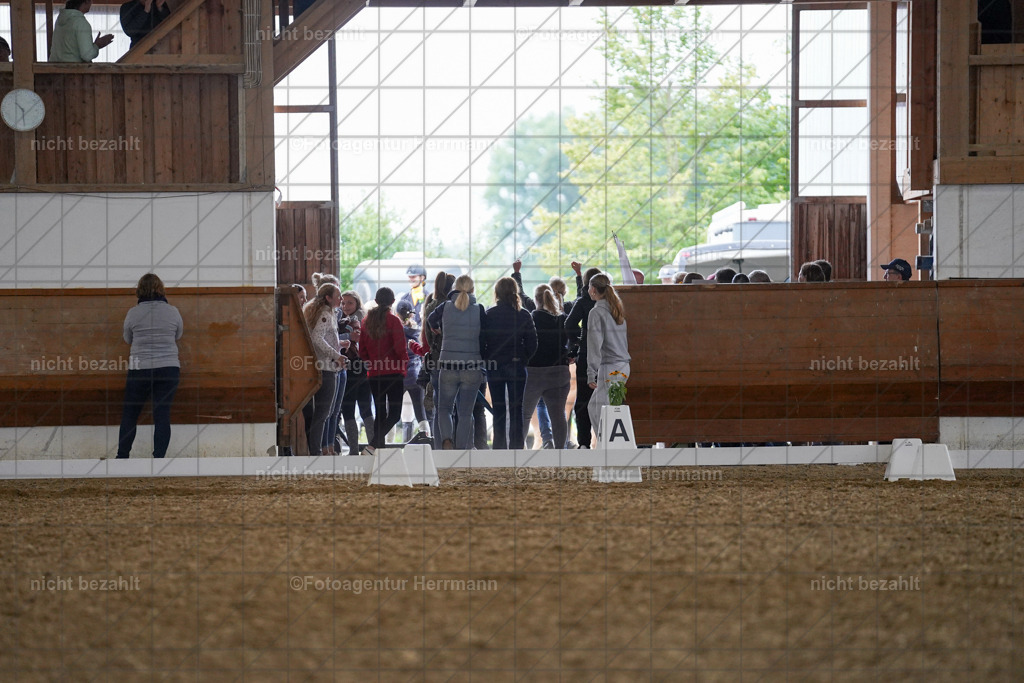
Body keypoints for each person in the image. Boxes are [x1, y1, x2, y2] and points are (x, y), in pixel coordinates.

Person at [117, 273, 183, 459]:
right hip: (168, 368)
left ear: (139, 290)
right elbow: (178, 335)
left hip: (140, 368)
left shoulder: (133, 313)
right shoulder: (173, 311)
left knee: (130, 414)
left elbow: (127, 339)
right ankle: (159, 459)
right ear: (161, 289)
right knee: (162, 414)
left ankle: (122, 458)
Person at [428, 274, 488, 450]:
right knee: (465, 413)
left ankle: (446, 439)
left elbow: (431, 319)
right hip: (472, 367)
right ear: (472, 289)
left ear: (455, 288)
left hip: (447, 366)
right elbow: (485, 337)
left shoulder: (444, 307)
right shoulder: (479, 309)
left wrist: (438, 330)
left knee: (445, 409)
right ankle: (461, 450)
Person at [484, 277, 538, 450]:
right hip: (516, 366)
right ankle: (516, 448)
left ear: (497, 293)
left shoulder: (489, 314)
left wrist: (487, 358)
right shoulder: (524, 314)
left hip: (495, 365)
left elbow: (482, 340)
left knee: (498, 409)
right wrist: (523, 359)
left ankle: (499, 448)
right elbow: (533, 343)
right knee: (516, 410)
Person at [358, 288, 408, 455]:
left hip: (374, 373)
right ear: (393, 302)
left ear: (376, 300)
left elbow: (362, 352)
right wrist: (404, 366)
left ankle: (377, 451)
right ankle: (372, 446)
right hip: (393, 372)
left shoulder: (366, 322)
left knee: (380, 413)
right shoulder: (394, 321)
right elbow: (400, 349)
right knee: (394, 415)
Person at [522, 284, 571, 449]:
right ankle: (560, 453)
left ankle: (517, 451)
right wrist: (571, 355)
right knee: (558, 415)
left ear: (535, 299)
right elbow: (575, 338)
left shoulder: (530, 317)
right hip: (559, 372)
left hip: (534, 372)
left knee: (525, 415)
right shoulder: (562, 318)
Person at [302, 279, 348, 455]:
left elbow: (321, 338)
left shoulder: (327, 313)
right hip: (326, 368)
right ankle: (316, 451)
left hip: (326, 366)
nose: (341, 299)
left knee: (322, 414)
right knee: (323, 414)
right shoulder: (326, 314)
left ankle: (316, 450)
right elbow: (317, 338)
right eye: (338, 296)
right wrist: (336, 355)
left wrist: (338, 346)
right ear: (328, 298)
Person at [585, 273, 631, 441]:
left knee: (601, 410)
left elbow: (594, 344)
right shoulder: (615, 309)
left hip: (610, 366)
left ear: (593, 290)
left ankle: (608, 446)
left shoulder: (596, 312)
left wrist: (591, 372)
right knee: (598, 407)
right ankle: (607, 444)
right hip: (623, 365)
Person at [565, 263, 602, 448]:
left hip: (586, 356)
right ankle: (606, 439)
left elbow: (569, 324)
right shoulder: (610, 301)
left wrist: (580, 340)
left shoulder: (582, 302)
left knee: (583, 401)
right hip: (606, 356)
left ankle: (584, 443)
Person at [338, 290, 374, 455]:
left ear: (357, 303)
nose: (345, 306)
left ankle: (362, 448)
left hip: (357, 366)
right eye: (343, 302)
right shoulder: (342, 320)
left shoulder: (359, 321)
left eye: (350, 303)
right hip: (353, 367)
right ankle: (362, 448)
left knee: (359, 407)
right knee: (354, 408)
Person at [396, 299, 430, 443]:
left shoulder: (396, 332)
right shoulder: (417, 330)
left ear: (397, 314)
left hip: (399, 375)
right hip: (415, 375)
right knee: (420, 413)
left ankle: (387, 445)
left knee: (392, 413)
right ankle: (428, 441)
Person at [50, 0, 114, 63]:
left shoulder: (60, 19)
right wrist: (97, 45)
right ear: (86, 1)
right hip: (73, 71)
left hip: (54, 70)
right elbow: (87, 55)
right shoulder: (80, 22)